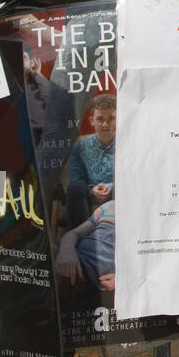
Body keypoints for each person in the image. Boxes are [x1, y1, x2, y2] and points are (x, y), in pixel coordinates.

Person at [65, 93, 116, 230]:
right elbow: (75, 178)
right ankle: (80, 239)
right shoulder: (80, 146)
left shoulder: (126, 144)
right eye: (100, 119)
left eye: (111, 118)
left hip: (117, 193)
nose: (105, 124)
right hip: (88, 193)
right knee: (75, 188)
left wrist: (110, 187)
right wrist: (92, 190)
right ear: (91, 120)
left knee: (123, 186)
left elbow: (132, 176)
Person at [54, 200, 115, 292]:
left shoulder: (142, 214)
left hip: (92, 275)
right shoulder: (110, 206)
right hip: (75, 258)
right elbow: (74, 233)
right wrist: (67, 250)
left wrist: (123, 278)